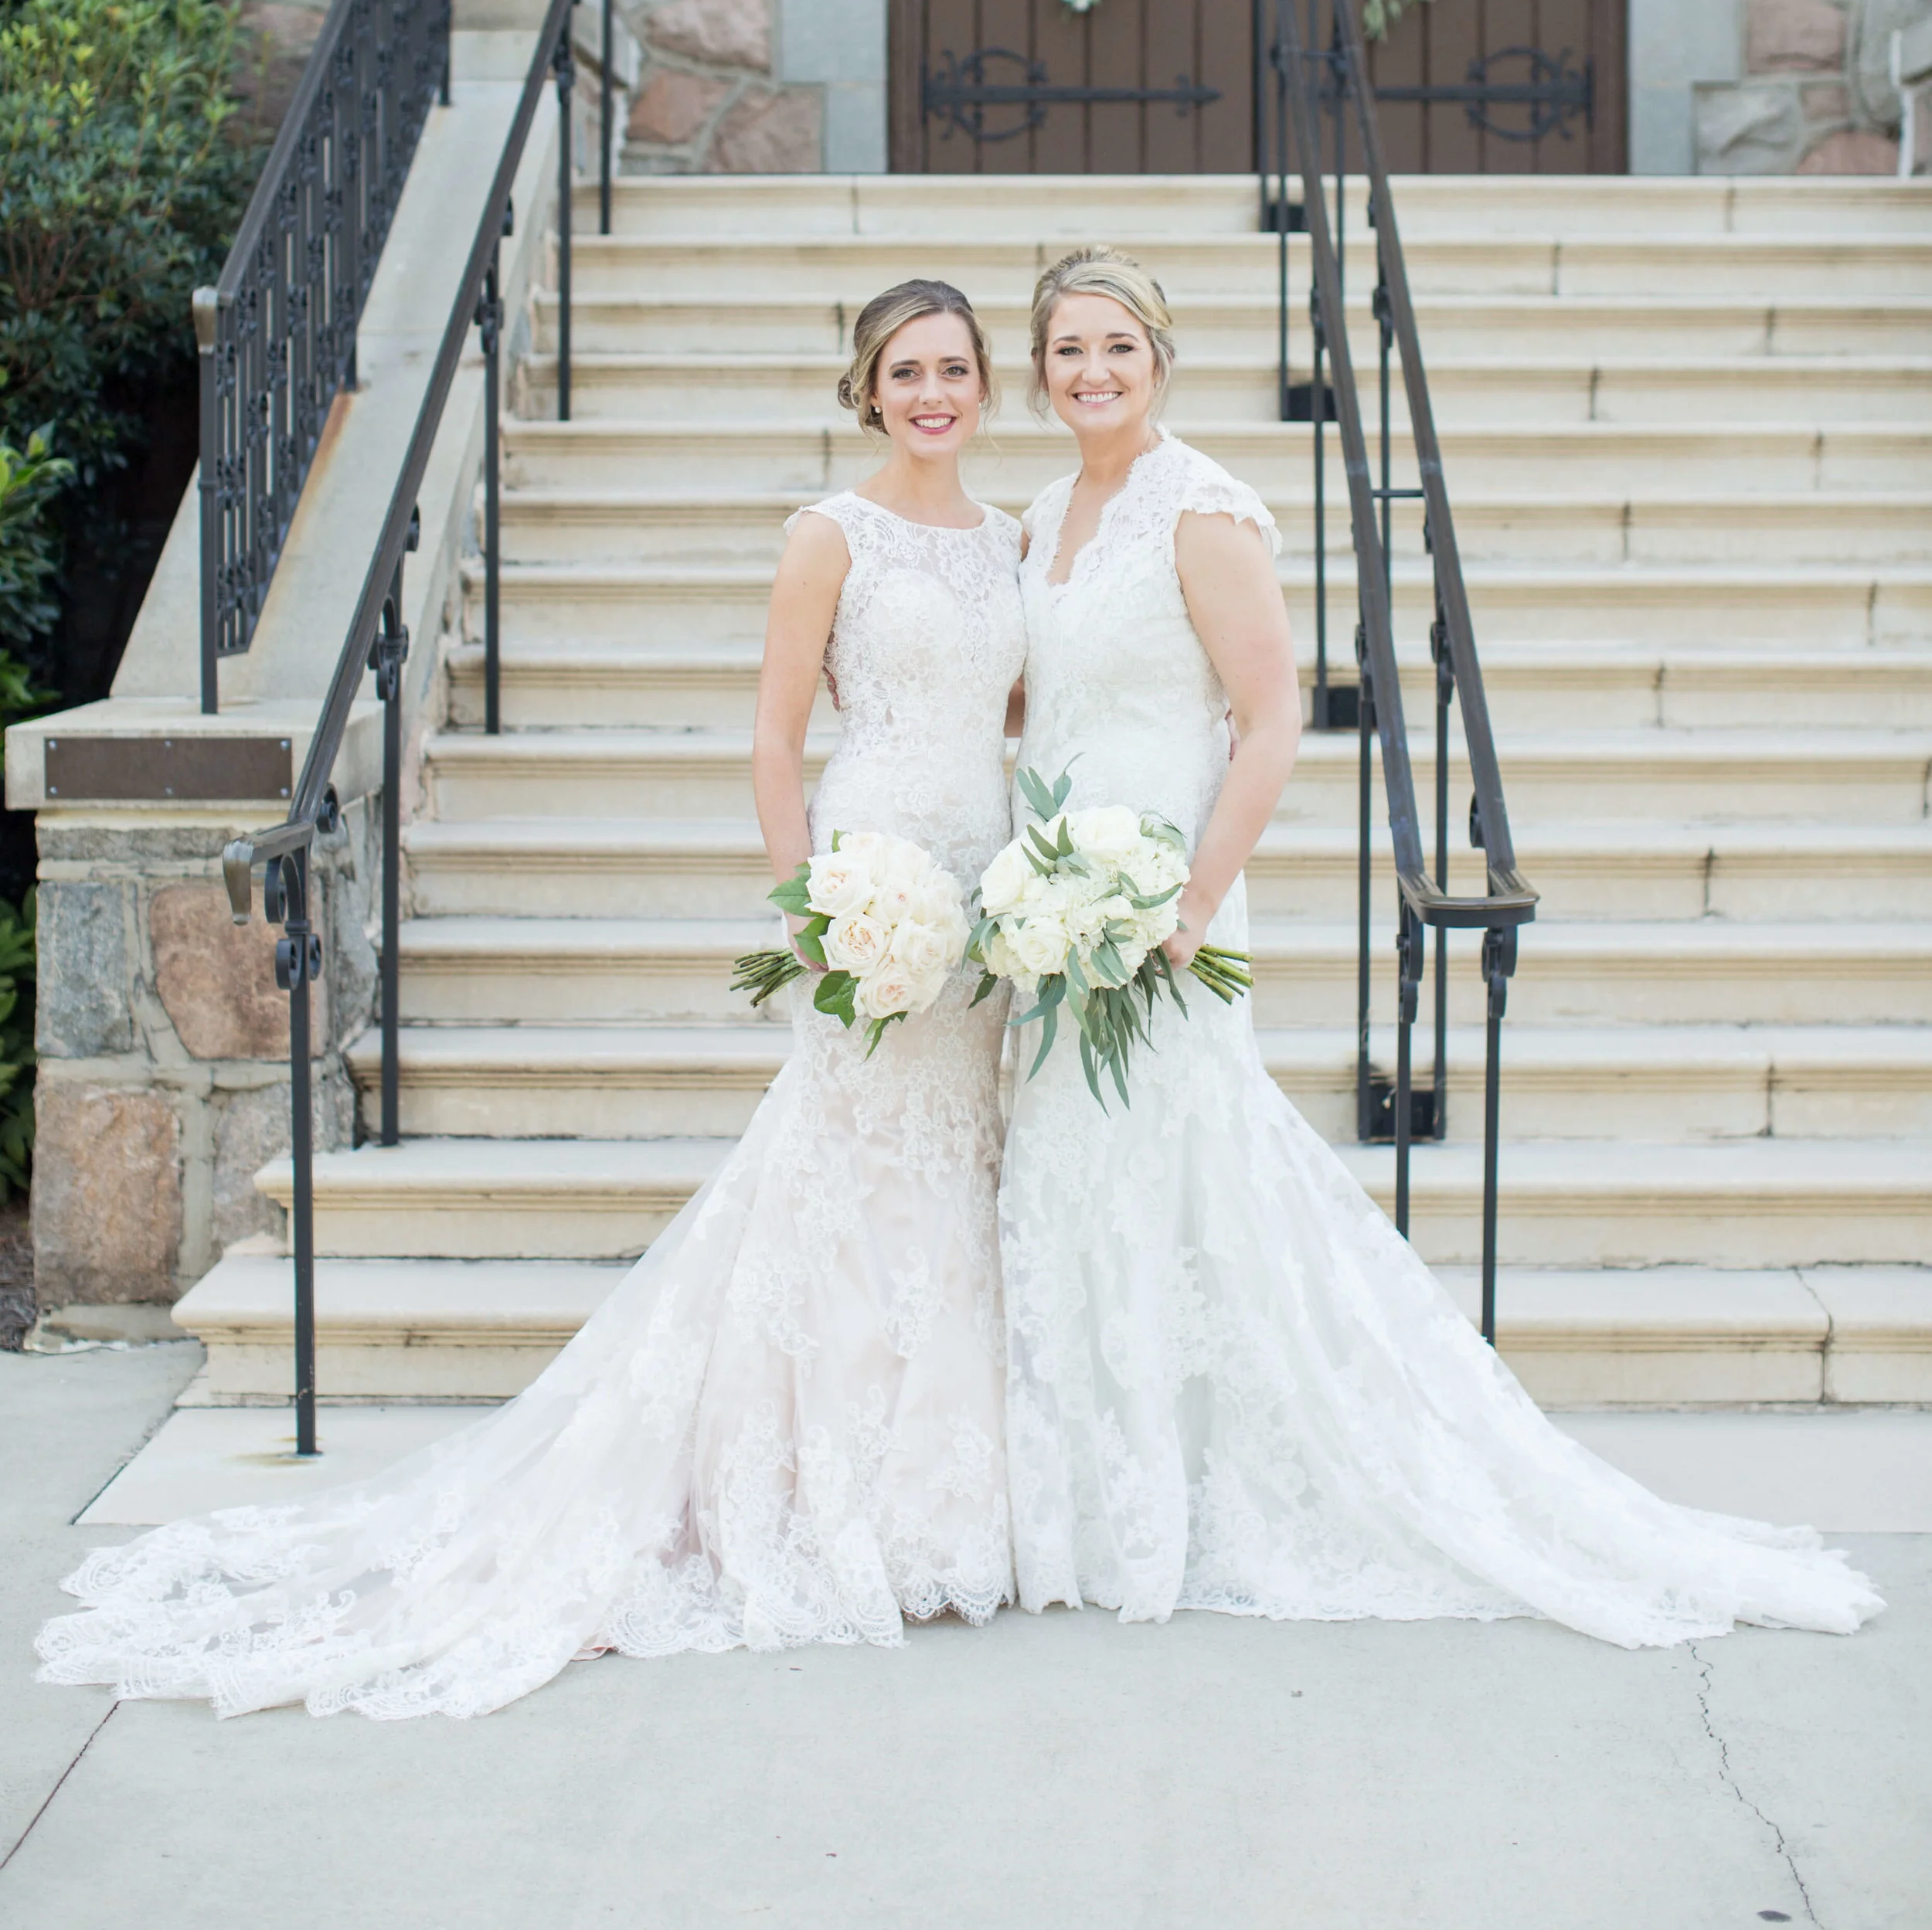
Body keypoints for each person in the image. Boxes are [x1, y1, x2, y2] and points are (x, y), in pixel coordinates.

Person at [37, 279, 1025, 1718]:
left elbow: (1010, 704)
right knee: (853, 1173)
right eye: (904, 371)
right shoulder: (832, 535)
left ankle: (945, 1498)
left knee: (955, 1175)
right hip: (877, 875)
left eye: (953, 368)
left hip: (982, 882)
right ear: (866, 390)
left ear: (985, 384)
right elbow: (771, 730)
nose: (932, 392)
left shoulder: (1009, 539)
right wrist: (810, 900)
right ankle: (825, 1493)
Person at [998, 245, 1883, 1648]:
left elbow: (1272, 716)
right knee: (1070, 1166)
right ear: (1036, 370)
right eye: (1066, 350)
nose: (1091, 370)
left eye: (1116, 344)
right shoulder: (1041, 514)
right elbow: (1035, 702)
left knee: (1176, 1163)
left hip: (1165, 897)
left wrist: (1188, 903)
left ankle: (1195, 1487)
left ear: (1160, 355)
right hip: (1048, 900)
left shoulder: (1204, 505)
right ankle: (1084, 1493)